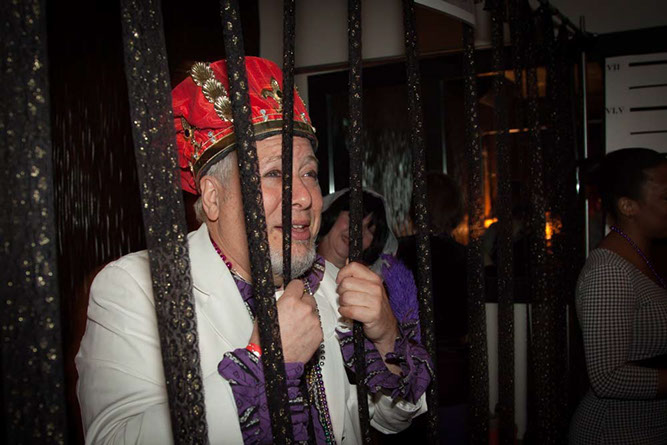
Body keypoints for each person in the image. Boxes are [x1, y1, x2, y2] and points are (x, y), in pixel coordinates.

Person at [75, 57, 433, 444]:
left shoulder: (331, 283)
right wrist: (268, 364)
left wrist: (387, 339)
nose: (304, 197)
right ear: (212, 197)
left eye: (309, 173)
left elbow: (389, 420)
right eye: (274, 173)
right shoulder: (138, 288)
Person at [569, 148, 667, 444]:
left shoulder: (646, 259)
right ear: (628, 206)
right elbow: (607, 377)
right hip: (614, 432)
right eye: (666, 197)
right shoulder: (609, 272)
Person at [397, 172, 469, 443]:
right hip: (452, 372)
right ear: (454, 210)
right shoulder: (466, 257)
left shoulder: (398, 253)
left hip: (407, 371)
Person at [317, 189, 422, 343]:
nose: (358, 231)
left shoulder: (377, 289)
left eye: (369, 229)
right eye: (353, 217)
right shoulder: (293, 267)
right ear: (334, 214)